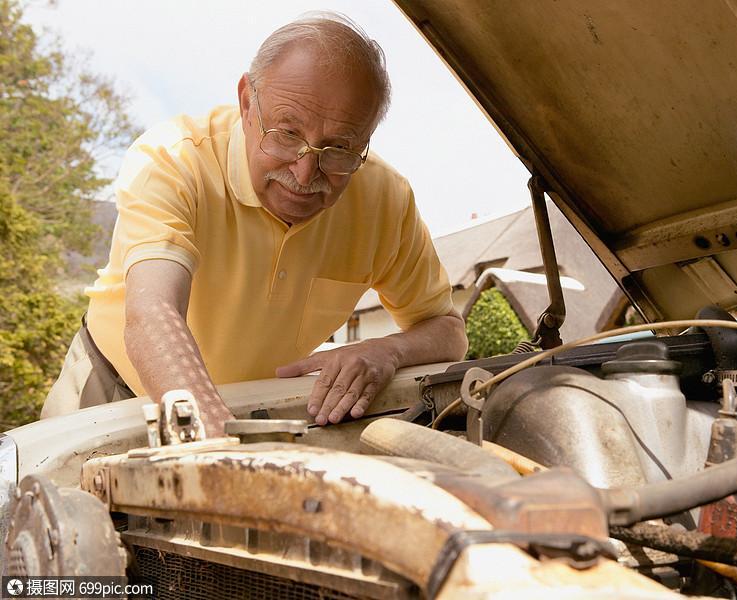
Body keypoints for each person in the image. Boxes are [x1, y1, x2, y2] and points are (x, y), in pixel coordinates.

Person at [41, 13, 468, 434]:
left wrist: (387, 351)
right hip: (111, 387)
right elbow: (153, 313)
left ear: (367, 137)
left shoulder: (386, 201)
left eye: (338, 148)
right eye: (286, 133)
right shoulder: (175, 159)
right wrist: (219, 440)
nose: (305, 175)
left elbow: (447, 331)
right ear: (247, 102)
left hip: (248, 407)